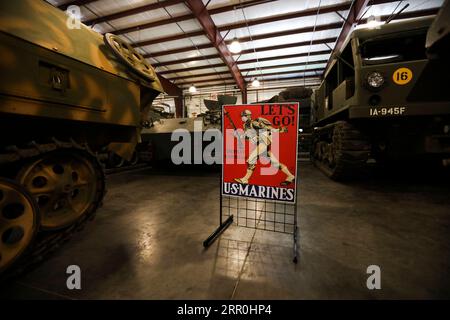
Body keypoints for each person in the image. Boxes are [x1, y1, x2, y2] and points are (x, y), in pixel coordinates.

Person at [234, 109, 295, 186]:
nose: (242, 118)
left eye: (243, 116)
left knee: (251, 159)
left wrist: (278, 130)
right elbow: (248, 137)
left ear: (248, 116)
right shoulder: (245, 126)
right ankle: (291, 176)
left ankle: (245, 179)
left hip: (264, 142)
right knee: (275, 163)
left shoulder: (254, 123)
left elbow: (267, 128)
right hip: (260, 144)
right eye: (242, 116)